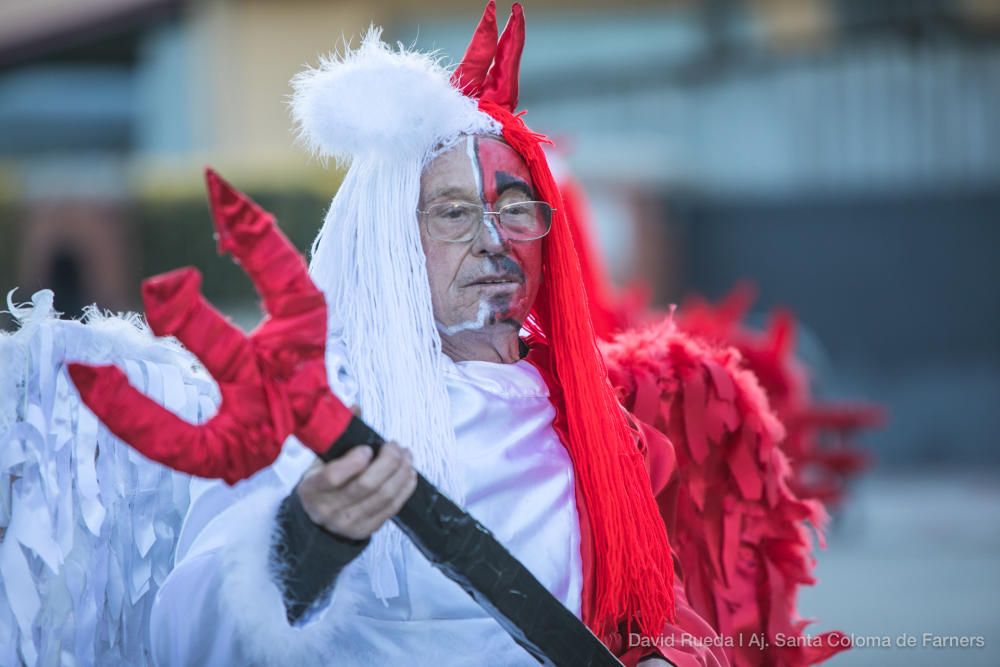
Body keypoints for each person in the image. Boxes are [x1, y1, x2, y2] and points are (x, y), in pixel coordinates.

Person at [148, 3, 727, 666]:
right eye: (453, 213)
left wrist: (665, 659)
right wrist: (301, 535)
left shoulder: (602, 426)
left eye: (515, 209)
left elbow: (666, 612)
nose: (492, 240)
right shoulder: (308, 411)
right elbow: (181, 640)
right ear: (393, 238)